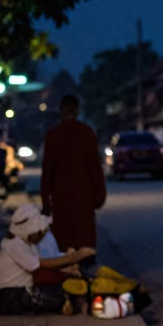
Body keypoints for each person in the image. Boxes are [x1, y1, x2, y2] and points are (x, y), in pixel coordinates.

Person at [0, 205, 96, 315]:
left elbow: (46, 262)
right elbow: (41, 266)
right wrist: (71, 258)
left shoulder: (27, 243)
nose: (42, 235)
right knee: (58, 295)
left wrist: (68, 265)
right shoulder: (14, 245)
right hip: (11, 292)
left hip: (24, 287)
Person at [40, 94, 107, 252]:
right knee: (83, 235)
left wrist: (45, 199)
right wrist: (100, 193)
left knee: (64, 237)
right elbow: (94, 167)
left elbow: (47, 170)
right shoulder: (86, 133)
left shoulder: (54, 135)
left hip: (61, 194)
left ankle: (67, 264)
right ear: (77, 111)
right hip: (83, 193)